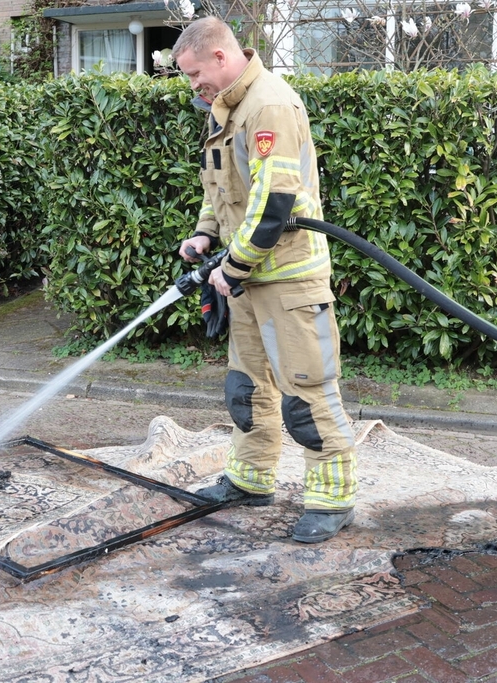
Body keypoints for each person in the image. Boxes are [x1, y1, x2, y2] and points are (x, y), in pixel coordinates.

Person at [174, 17, 358, 543]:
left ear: (220, 56)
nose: (193, 85)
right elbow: (221, 186)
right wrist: (205, 234)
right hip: (249, 280)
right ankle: (250, 480)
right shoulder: (228, 108)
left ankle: (333, 498)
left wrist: (231, 268)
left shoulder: (269, 105)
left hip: (288, 281)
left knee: (306, 391)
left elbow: (274, 201)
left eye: (195, 74)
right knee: (247, 387)